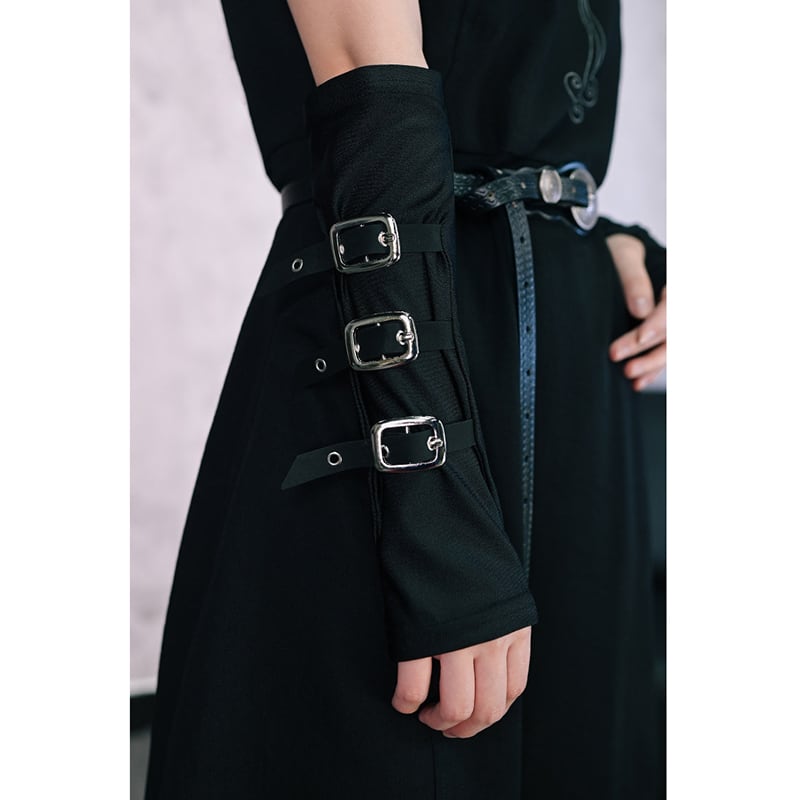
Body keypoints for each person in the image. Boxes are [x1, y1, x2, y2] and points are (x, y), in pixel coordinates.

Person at [144, 1, 667, 798]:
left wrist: (597, 235)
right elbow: (371, 89)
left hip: (577, 383)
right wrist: (438, 519)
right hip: (397, 359)